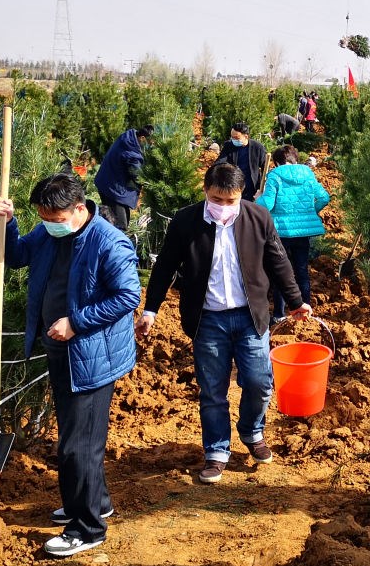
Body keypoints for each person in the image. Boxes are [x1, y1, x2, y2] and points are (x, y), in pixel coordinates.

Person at [0, 173, 140, 558]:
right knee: (80, 436)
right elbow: (19, 256)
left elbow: (127, 296)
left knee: (78, 446)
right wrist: (7, 224)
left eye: (55, 219)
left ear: (78, 209)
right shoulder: (49, 231)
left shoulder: (109, 243)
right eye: (43, 218)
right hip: (60, 350)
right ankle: (94, 502)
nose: (49, 225)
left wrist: (76, 322)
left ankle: (87, 528)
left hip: (90, 356)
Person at [136, 162, 311, 484]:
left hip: (250, 316)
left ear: (242, 195)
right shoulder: (186, 221)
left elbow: (278, 260)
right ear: (206, 191)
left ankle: (251, 430)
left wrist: (297, 301)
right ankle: (216, 451)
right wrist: (151, 309)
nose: (224, 207)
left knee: (260, 383)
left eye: (231, 201)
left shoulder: (258, 218)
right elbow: (165, 267)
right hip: (208, 319)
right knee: (213, 391)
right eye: (218, 199)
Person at [257, 144, 330, 322]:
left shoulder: (275, 175)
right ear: (294, 158)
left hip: (280, 232)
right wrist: (309, 213)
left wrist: (256, 199)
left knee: (280, 272)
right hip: (302, 234)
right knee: (301, 270)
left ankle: (280, 314)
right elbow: (324, 197)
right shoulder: (308, 174)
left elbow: (267, 205)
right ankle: (305, 310)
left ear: (277, 162)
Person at [93, 125, 154, 231]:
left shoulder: (129, 137)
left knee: (113, 218)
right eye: (150, 143)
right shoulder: (132, 152)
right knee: (120, 225)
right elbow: (138, 175)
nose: (151, 146)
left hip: (106, 182)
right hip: (113, 190)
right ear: (142, 138)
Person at [215, 122, 268, 202]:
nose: (233, 140)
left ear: (246, 136)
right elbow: (220, 161)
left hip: (252, 186)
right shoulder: (229, 146)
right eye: (232, 137)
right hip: (234, 185)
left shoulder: (257, 147)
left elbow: (265, 167)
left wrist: (263, 186)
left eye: (236, 138)